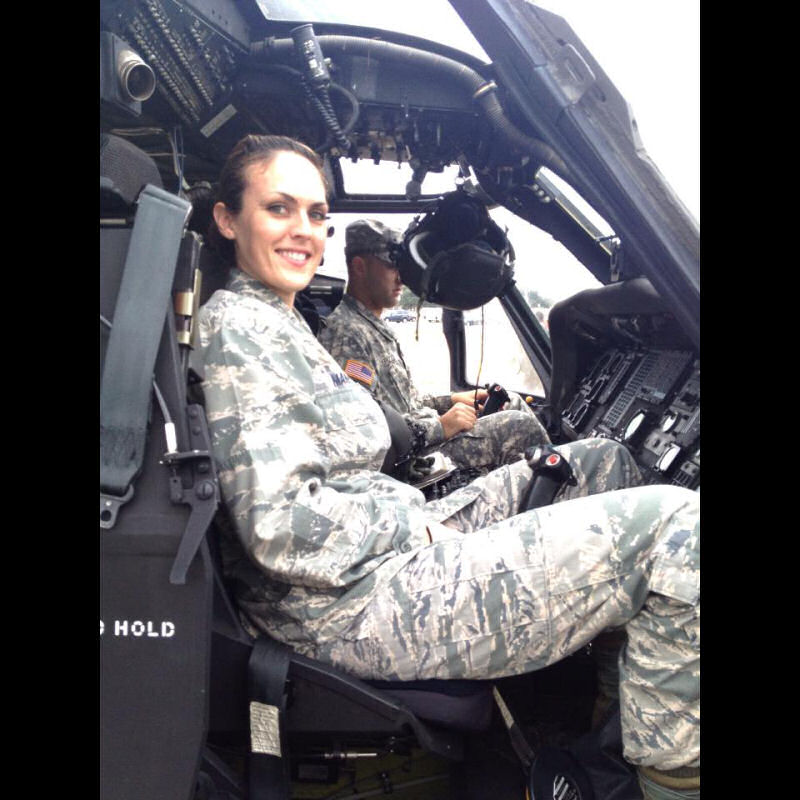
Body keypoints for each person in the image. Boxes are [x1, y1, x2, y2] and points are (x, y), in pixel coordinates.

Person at [197, 133, 700, 799]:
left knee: (601, 461)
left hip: (374, 552)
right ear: (228, 219)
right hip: (342, 603)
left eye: (316, 214)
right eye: (278, 209)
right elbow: (282, 527)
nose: (303, 231)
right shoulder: (240, 330)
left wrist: (415, 520)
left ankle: (607, 720)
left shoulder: (279, 323)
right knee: (679, 531)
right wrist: (417, 527)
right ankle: (664, 784)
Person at [318, 219, 550, 473]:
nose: (401, 277)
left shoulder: (373, 327)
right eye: (392, 266)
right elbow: (364, 430)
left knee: (511, 401)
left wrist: (451, 400)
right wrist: (441, 426)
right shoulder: (345, 334)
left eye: (403, 267)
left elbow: (408, 404)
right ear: (359, 267)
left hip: (422, 439)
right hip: (411, 462)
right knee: (518, 426)